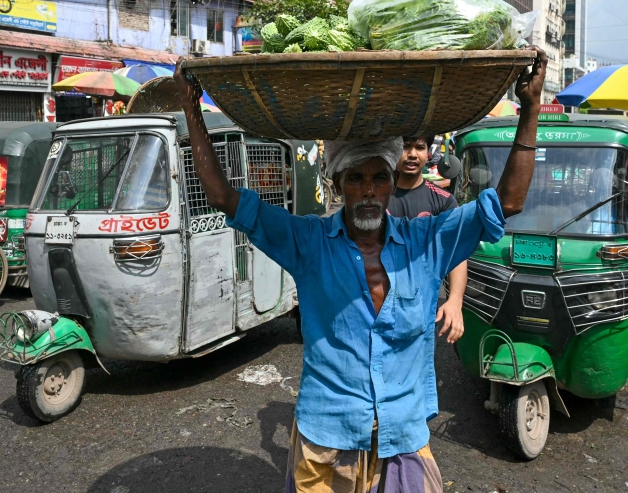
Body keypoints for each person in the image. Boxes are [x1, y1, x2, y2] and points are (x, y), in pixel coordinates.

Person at [175, 49, 547, 491]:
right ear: (337, 184)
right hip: (328, 437)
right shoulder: (308, 243)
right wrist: (190, 108)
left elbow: (508, 202)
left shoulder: (428, 242)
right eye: (355, 179)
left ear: (392, 184)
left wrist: (531, 107)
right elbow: (221, 196)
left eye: (379, 178)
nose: (369, 191)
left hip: (403, 436)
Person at [389, 135, 467, 345]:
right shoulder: (376, 196)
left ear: (428, 153)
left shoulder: (443, 201)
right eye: (405, 147)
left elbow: (456, 251)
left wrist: (455, 301)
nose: (413, 154)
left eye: (419, 148)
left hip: (421, 303)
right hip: (377, 296)